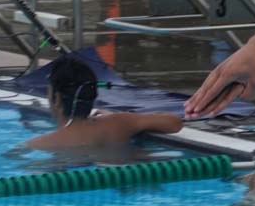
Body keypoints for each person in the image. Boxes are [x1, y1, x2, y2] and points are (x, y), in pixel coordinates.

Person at [22, 53, 182, 154]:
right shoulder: (120, 123)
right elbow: (174, 123)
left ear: (55, 99)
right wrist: (118, 117)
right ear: (94, 95)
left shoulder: (38, 144)